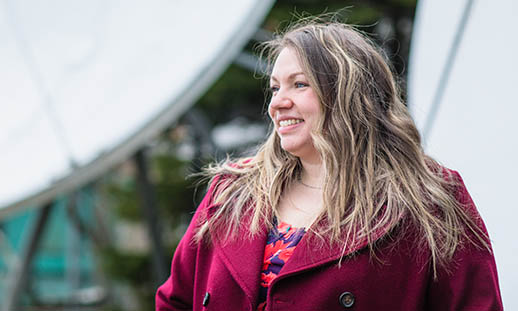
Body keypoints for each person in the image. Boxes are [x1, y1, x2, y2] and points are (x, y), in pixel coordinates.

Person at [156, 21, 503, 311]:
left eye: (299, 84)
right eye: (275, 88)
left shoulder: (428, 198)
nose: (278, 102)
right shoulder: (231, 193)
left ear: (349, 93)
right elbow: (174, 301)